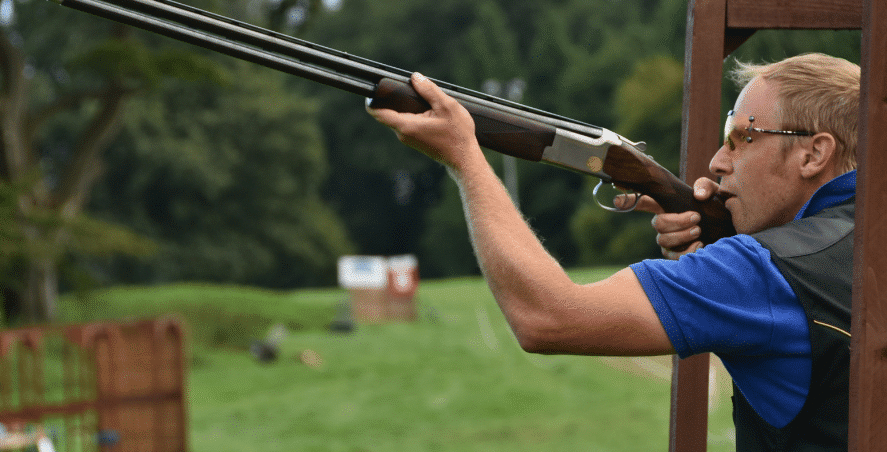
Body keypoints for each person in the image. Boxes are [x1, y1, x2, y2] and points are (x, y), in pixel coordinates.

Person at [367, 52, 858, 451]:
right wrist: (720, 238)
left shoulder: (760, 271)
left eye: (740, 138)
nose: (716, 161)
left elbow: (548, 317)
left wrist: (465, 157)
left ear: (813, 153)